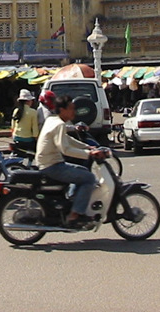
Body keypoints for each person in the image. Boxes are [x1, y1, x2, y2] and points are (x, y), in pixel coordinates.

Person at [35, 94, 104, 229]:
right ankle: (75, 214)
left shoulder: (52, 120)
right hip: (51, 166)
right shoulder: (59, 124)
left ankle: (73, 199)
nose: (74, 111)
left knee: (83, 171)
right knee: (89, 178)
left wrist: (86, 146)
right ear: (62, 110)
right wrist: (89, 154)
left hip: (48, 163)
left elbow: (67, 139)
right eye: (71, 108)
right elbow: (65, 148)